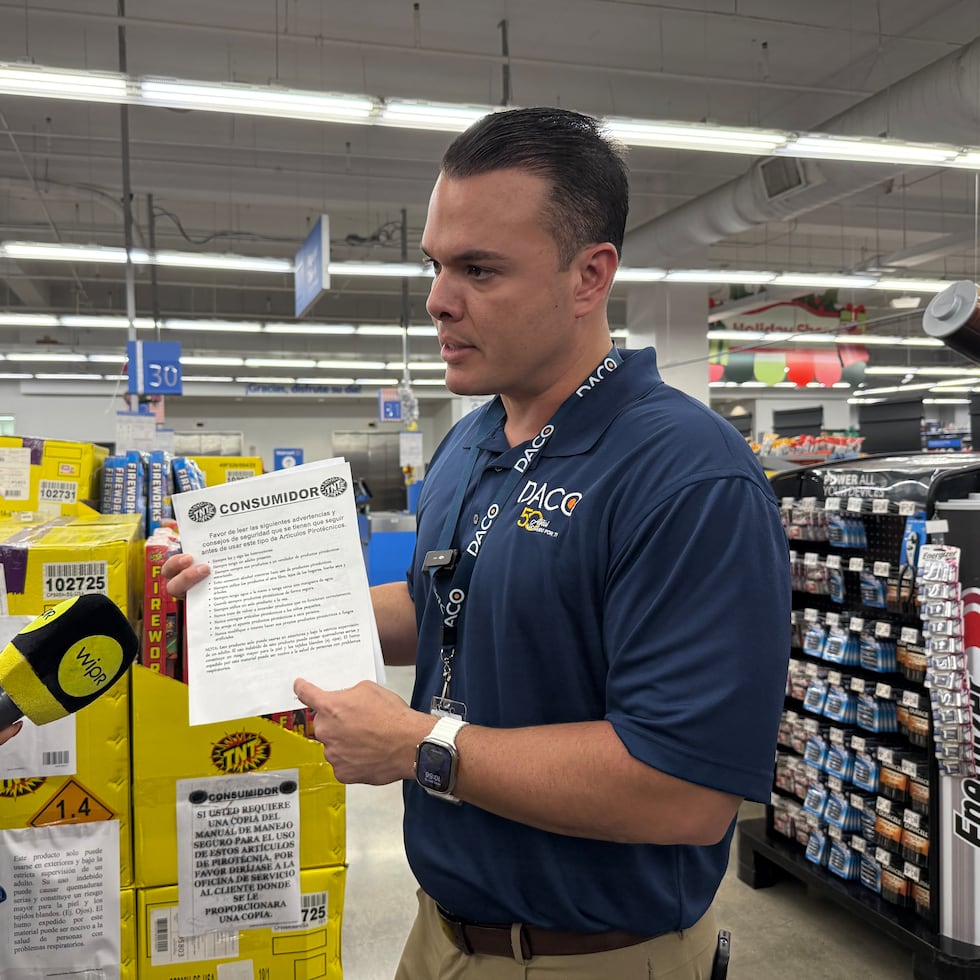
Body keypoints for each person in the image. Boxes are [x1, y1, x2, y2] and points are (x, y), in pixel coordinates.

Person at [165, 107, 791, 979]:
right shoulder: (470, 443)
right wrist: (246, 601)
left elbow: (685, 791)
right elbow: (445, 606)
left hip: (595, 958)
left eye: (480, 269)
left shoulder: (687, 475)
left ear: (590, 276)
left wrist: (421, 746)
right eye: (435, 265)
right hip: (440, 934)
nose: (438, 299)